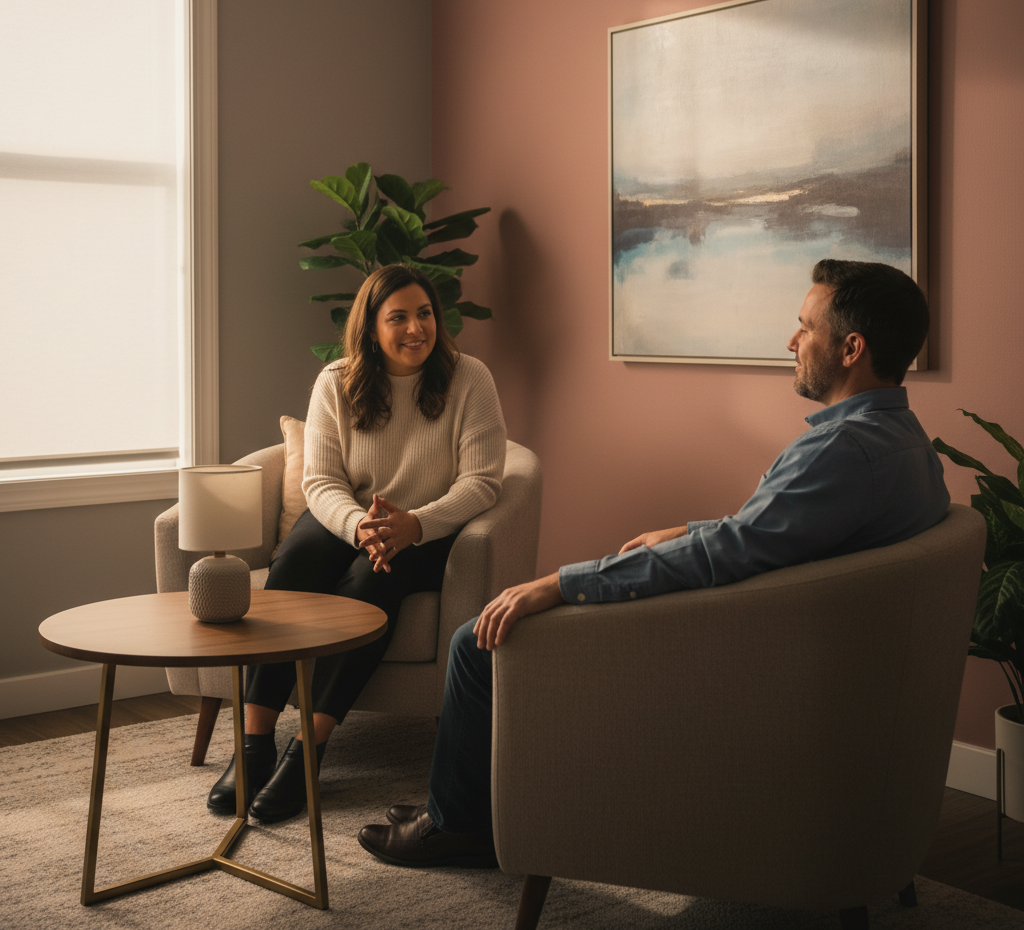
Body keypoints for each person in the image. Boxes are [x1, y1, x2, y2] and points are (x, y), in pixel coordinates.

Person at [359, 258, 951, 868]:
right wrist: (690, 529)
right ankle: (465, 803)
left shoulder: (840, 449)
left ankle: (459, 828)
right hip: (801, 653)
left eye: (806, 327)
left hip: (738, 662)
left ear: (851, 347)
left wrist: (559, 584)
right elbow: (770, 536)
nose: (792, 341)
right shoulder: (904, 442)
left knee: (476, 639)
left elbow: (724, 557)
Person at [207, 264, 506, 823]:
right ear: (371, 328)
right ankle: (253, 744)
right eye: (399, 317)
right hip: (349, 515)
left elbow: (483, 481)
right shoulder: (336, 380)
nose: (416, 328)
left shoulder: (470, 378)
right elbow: (320, 482)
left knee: (372, 579)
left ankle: (309, 752)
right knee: (294, 560)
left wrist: (414, 524)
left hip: (425, 525)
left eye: (425, 315)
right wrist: (356, 527)